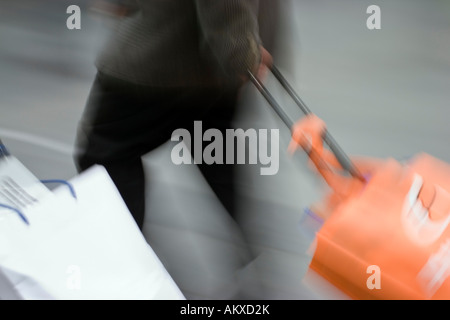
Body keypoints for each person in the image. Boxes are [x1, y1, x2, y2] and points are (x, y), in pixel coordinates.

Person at [74, 0, 275, 230]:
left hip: (157, 61)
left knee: (106, 157)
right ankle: (260, 249)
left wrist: (240, 56)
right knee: (215, 158)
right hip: (201, 69)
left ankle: (129, 255)